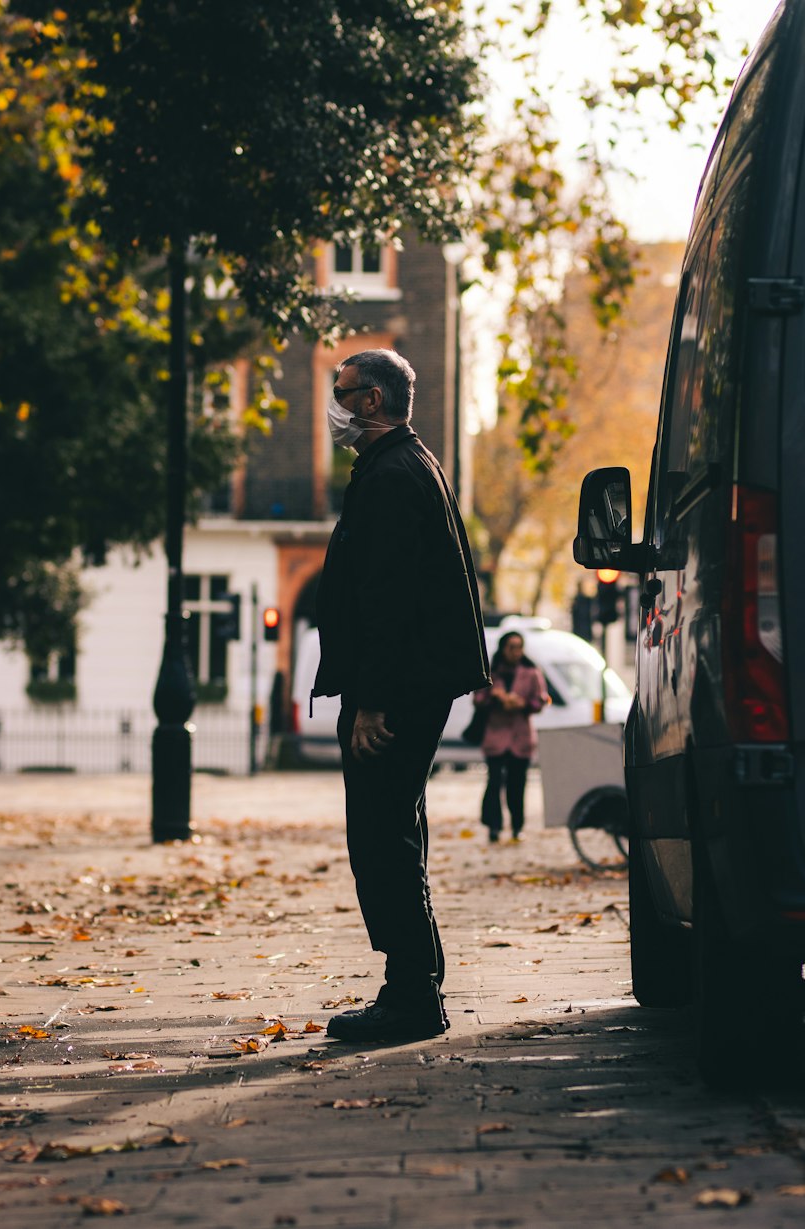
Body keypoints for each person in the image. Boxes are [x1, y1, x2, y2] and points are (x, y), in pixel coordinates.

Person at [313, 348, 490, 1042]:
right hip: (416, 681)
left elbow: (388, 600)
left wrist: (372, 701)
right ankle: (417, 982)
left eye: (342, 390)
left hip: (399, 688)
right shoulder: (409, 463)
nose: (334, 402)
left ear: (371, 402)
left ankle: (411, 994)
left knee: (382, 834)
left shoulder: (391, 476)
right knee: (396, 827)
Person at [472, 631, 548, 844]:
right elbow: (478, 699)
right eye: (511, 647)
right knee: (494, 782)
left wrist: (524, 704)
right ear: (503, 648)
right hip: (496, 736)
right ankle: (493, 826)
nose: (515, 652)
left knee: (517, 784)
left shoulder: (531, 672)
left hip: (521, 737)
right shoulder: (491, 673)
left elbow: (541, 699)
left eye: (519, 647)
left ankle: (517, 825)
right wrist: (495, 699)